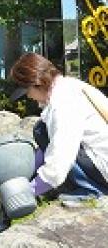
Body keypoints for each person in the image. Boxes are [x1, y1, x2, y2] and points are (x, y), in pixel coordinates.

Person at [11, 53, 108, 202]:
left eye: (27, 91)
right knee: (41, 129)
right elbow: (47, 143)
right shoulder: (67, 85)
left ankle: (93, 190)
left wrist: (28, 192)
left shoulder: (63, 103)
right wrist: (28, 173)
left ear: (38, 83)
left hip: (104, 164)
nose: (29, 97)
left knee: (47, 136)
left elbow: (60, 156)